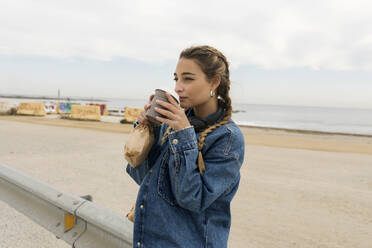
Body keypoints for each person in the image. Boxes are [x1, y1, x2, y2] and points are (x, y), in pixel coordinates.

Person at [126, 45, 245, 248]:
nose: (178, 87)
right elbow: (144, 180)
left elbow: (192, 198)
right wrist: (149, 131)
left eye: (188, 79)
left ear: (214, 82)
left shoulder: (227, 138)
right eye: (176, 79)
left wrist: (183, 135)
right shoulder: (172, 126)